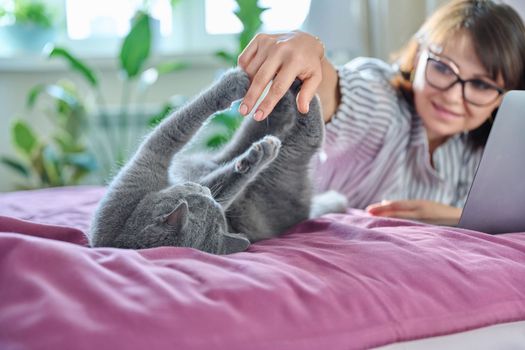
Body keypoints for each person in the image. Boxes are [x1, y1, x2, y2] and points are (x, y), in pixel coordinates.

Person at [236, 0, 525, 226]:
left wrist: (456, 215)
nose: (451, 95)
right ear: (417, 55)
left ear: (503, 95)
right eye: (441, 67)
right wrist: (310, 56)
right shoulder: (385, 103)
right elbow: (337, 93)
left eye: (479, 84)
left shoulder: (488, 151)